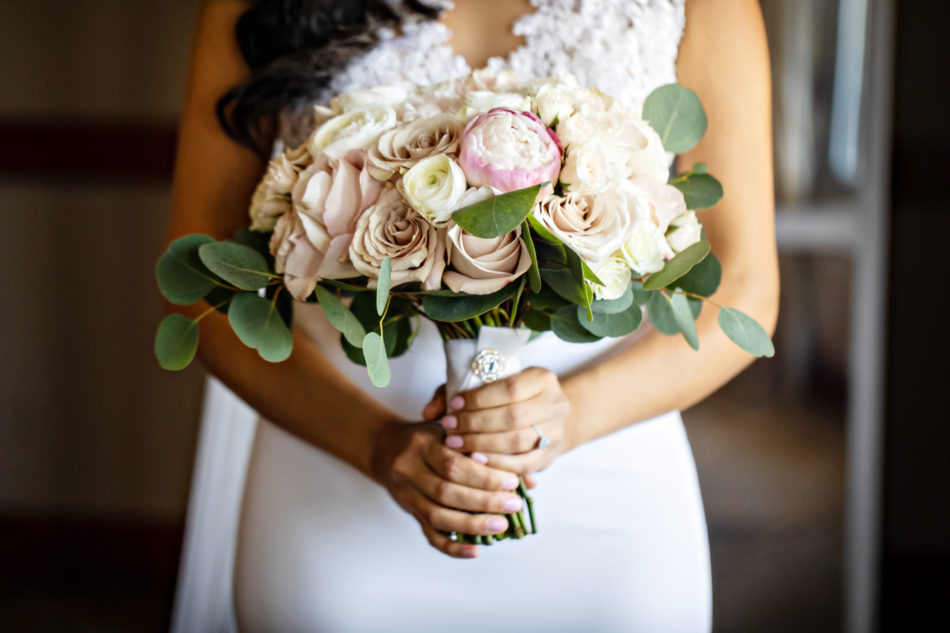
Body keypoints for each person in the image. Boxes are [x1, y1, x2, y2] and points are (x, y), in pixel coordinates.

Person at [168, 0, 778, 631]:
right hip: (334, 475)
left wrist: (572, 415)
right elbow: (199, 289)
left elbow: (746, 285)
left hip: (606, 480)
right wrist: (373, 442)